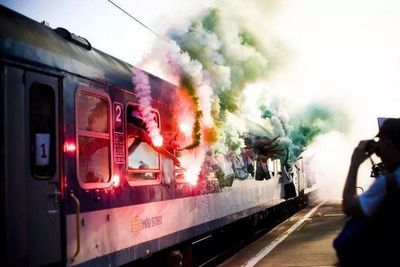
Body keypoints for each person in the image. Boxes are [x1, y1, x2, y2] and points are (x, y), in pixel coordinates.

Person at [333, 118, 400, 266]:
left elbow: (349, 206)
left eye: (380, 140)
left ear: (387, 142)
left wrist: (355, 163)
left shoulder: (388, 182)